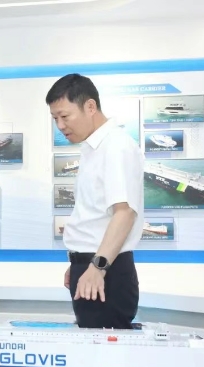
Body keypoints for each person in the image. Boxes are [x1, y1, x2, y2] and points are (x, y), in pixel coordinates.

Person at [46, 73, 144, 330]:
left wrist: (97, 266)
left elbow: (124, 213)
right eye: (55, 118)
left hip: (106, 271)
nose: (60, 125)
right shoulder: (93, 148)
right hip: (94, 267)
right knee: (92, 344)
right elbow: (95, 214)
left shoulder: (116, 146)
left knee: (105, 351)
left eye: (64, 116)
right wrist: (79, 262)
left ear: (90, 106)